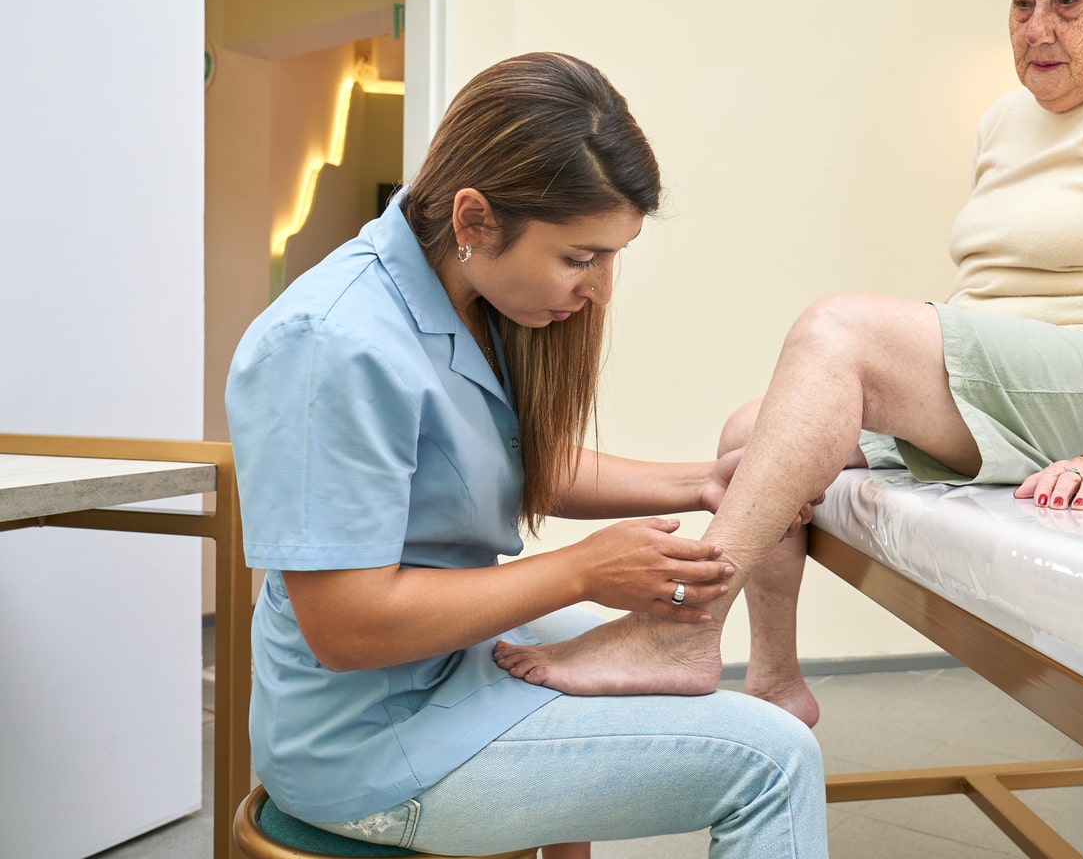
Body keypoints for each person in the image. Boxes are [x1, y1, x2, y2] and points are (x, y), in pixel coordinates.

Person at [492, 0, 1083, 726]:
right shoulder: (1006, 119)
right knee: (755, 433)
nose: (1038, 27)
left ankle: (681, 623)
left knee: (840, 329)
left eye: (1069, 2)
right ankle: (775, 678)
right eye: (1022, 2)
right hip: (1019, 388)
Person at [225, 52, 827, 858]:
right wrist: (582, 569)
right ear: (474, 221)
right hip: (367, 744)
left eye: (612, 257)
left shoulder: (466, 301)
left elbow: (505, 459)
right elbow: (346, 627)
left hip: (438, 664)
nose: (601, 290)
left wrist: (705, 482)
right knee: (776, 759)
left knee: (650, 648)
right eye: (581, 258)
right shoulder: (330, 345)